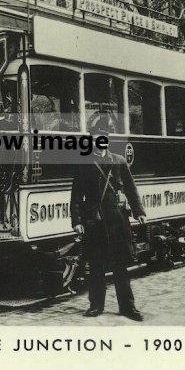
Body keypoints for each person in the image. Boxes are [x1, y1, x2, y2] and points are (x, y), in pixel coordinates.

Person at [70, 116, 148, 321]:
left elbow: (132, 190)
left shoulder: (119, 162)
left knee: (120, 267)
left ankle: (127, 307)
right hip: (94, 221)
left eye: (103, 137)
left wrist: (139, 212)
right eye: (96, 137)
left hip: (117, 221)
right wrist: (77, 221)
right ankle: (96, 306)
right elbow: (76, 196)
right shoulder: (84, 163)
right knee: (96, 267)